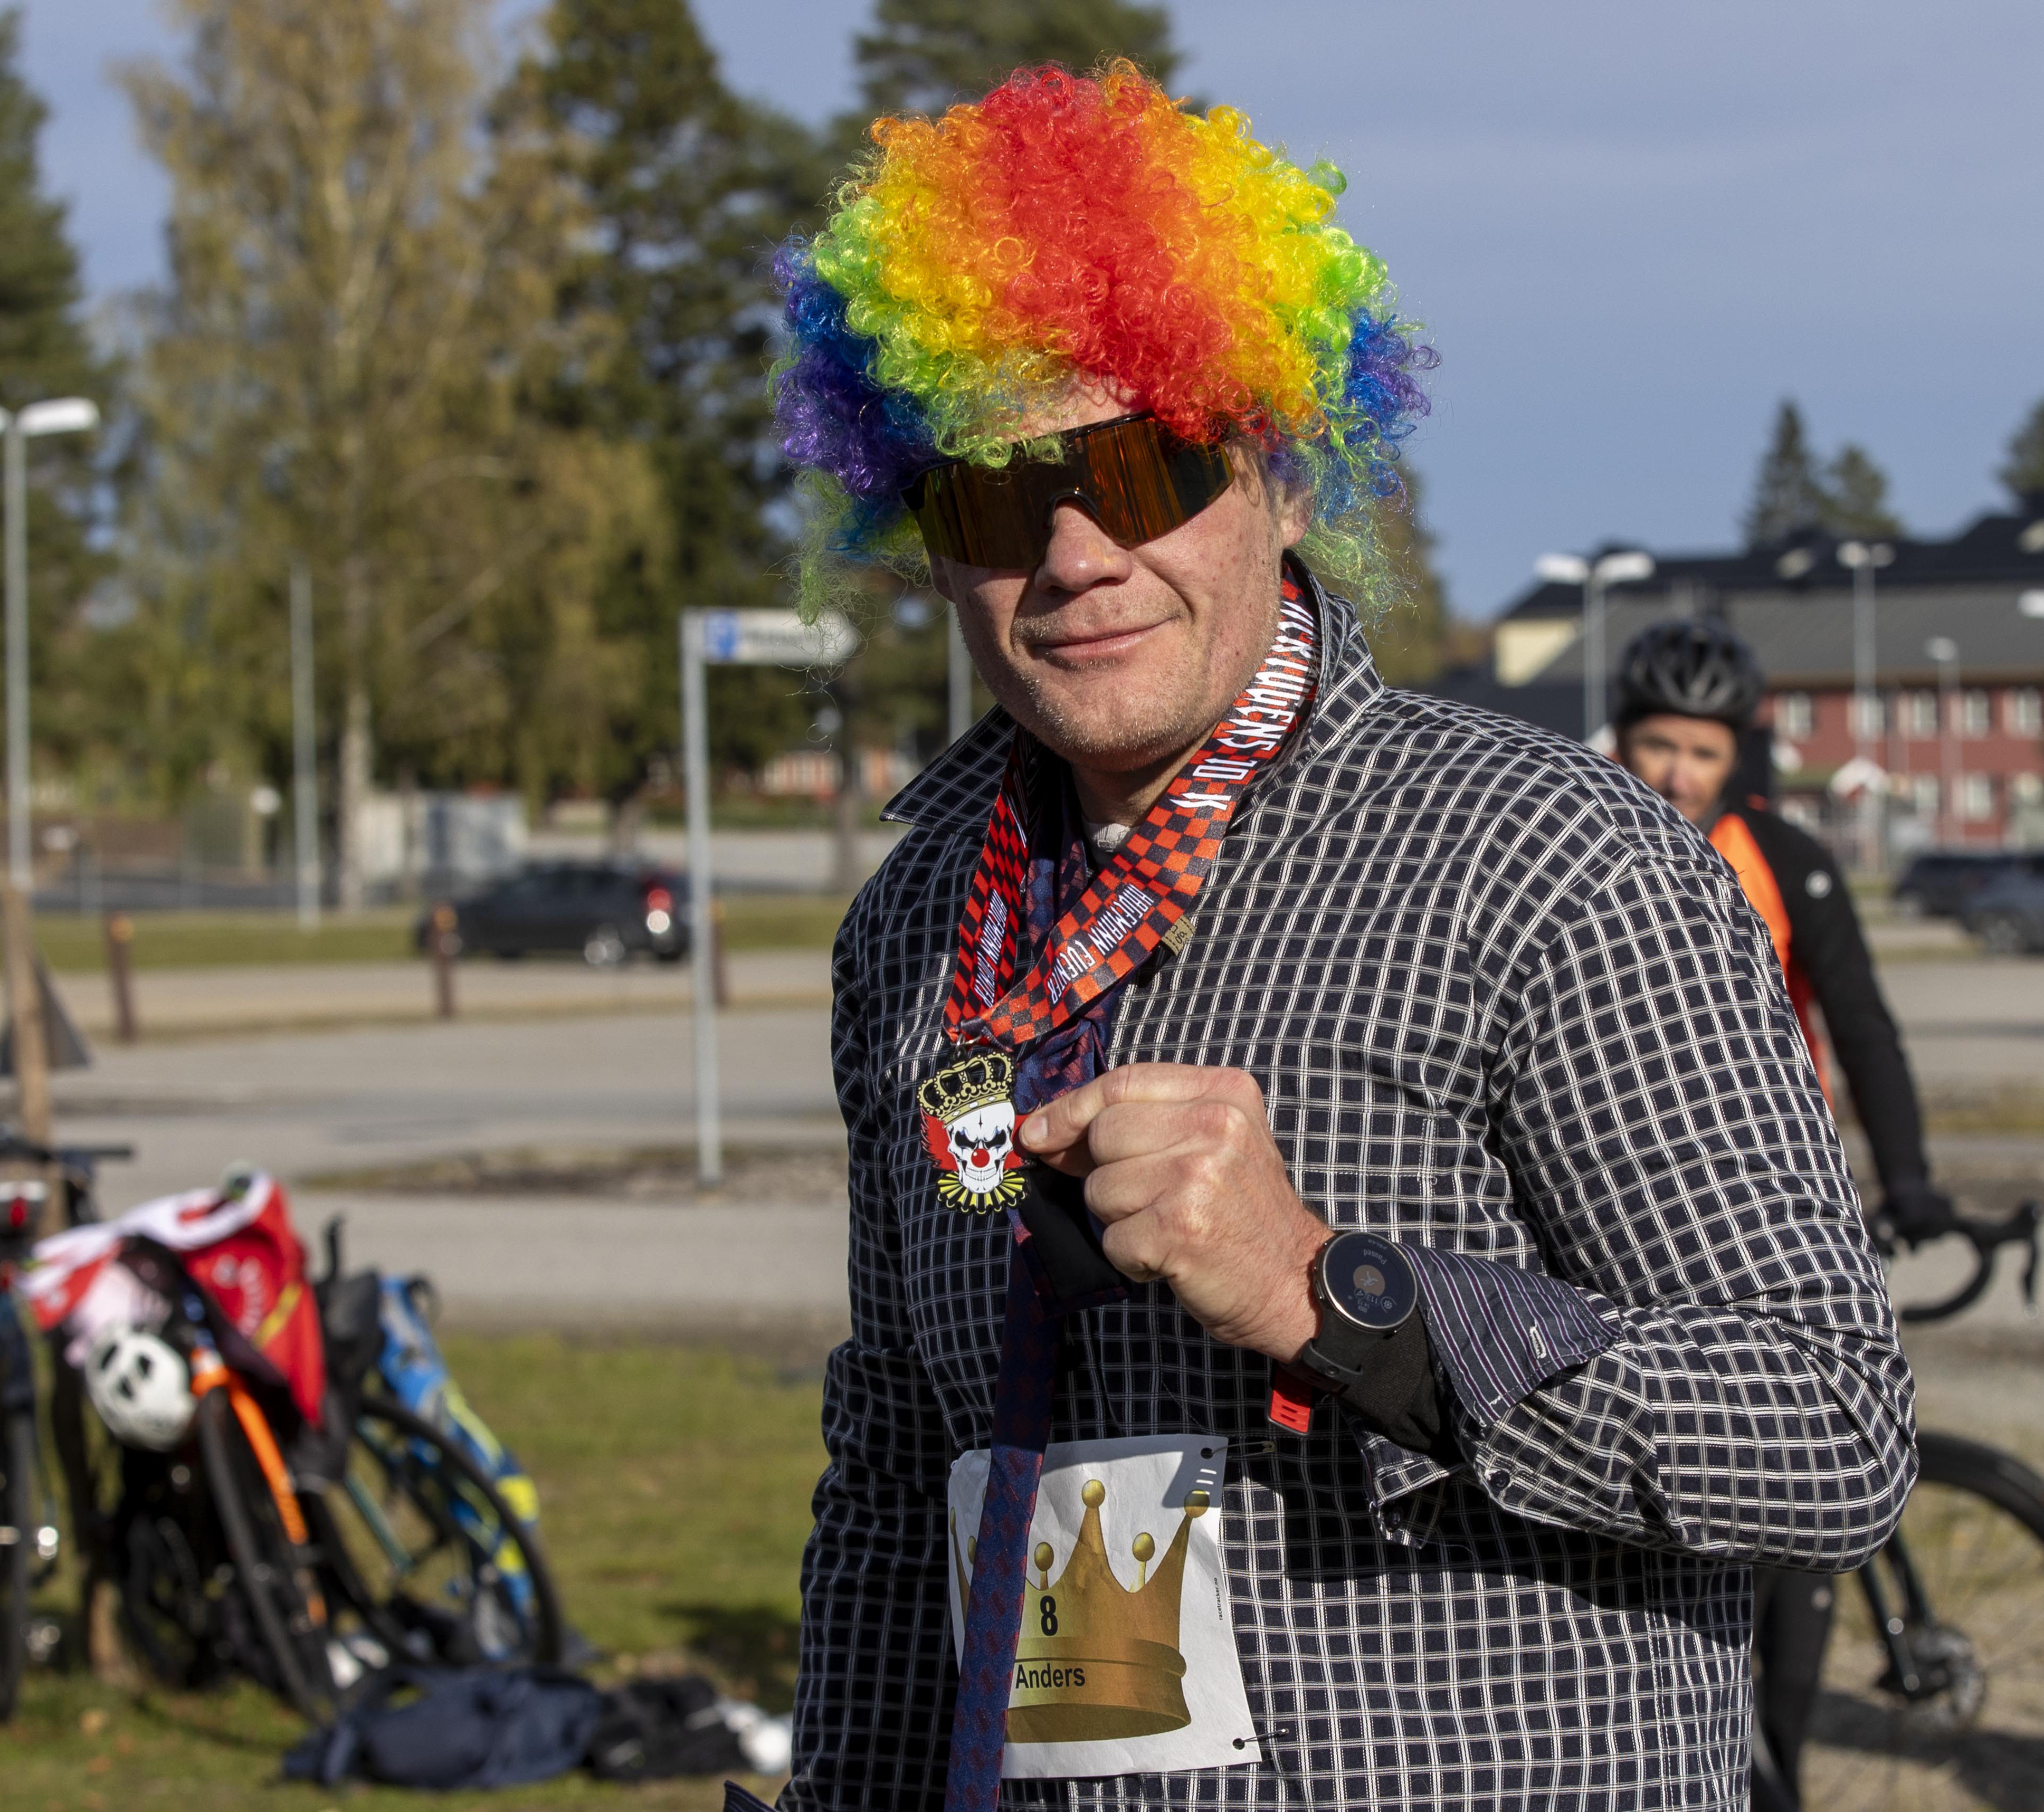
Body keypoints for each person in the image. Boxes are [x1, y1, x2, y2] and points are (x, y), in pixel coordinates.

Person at [777, 62, 1915, 1810]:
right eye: (998, 495)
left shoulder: (1548, 858)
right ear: (928, 544)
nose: (1076, 553)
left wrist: (1333, 1294)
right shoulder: (921, 930)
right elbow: (894, 1460)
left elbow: (1828, 1427)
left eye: (1147, 466)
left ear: (1287, 475)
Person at [1608, 618, 1953, 1804]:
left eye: (1701, 753)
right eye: (1655, 745)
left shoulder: (1787, 861)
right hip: (1615, 1211)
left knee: (1797, 1507)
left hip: (1776, 1204)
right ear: (1622, 739)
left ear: (1736, 757)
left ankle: (1780, 1772)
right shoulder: (1571, 843)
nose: (1674, 775)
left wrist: (1906, 1181)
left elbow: (1862, 1023)